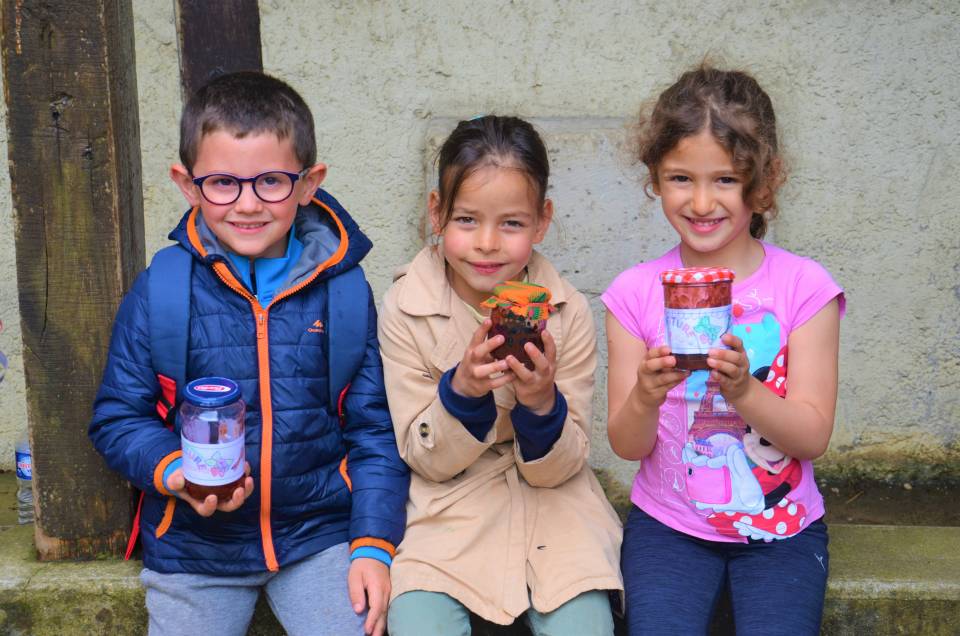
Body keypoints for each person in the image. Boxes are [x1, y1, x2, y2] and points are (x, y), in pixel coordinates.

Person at [89, 71, 409, 636]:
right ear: (188, 185)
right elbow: (117, 419)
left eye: (270, 182)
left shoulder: (344, 293)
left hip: (319, 538)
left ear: (310, 183)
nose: (247, 204)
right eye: (222, 184)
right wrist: (174, 471)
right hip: (195, 549)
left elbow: (374, 433)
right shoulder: (163, 289)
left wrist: (374, 544)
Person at [603, 64, 845, 635]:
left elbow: (812, 436)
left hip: (782, 529)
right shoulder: (635, 293)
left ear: (762, 184)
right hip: (668, 527)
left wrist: (744, 390)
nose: (702, 201)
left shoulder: (803, 288)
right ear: (655, 178)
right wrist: (644, 394)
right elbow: (625, 443)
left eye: (726, 180)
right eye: (681, 178)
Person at [379, 115, 622, 636]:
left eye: (511, 223)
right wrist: (463, 391)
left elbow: (564, 464)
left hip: (556, 512)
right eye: (467, 220)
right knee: (419, 624)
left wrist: (540, 403)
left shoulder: (567, 311)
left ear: (542, 221)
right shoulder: (406, 307)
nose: (487, 243)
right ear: (436, 213)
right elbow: (422, 455)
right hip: (449, 511)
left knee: (585, 626)